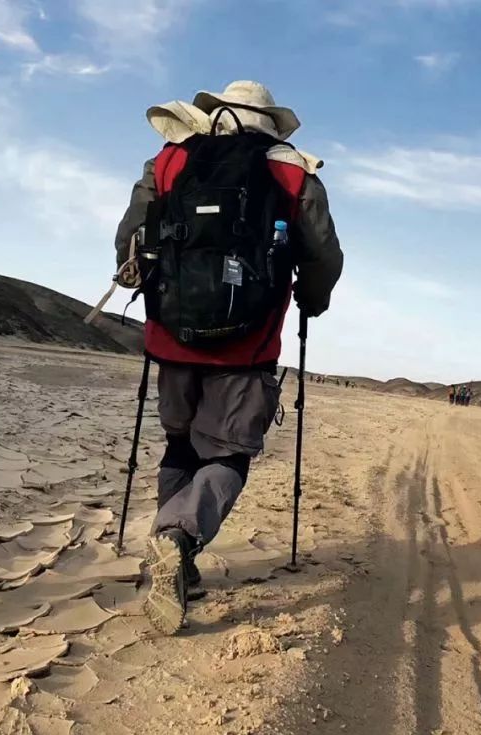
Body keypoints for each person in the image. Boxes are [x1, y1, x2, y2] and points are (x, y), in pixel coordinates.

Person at [114, 81, 343, 634]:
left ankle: (174, 555)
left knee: (180, 443)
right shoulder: (294, 174)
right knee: (229, 453)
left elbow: (129, 236)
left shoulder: (168, 161)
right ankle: (178, 538)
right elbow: (322, 257)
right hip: (250, 342)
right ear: (269, 123)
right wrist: (312, 301)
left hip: (173, 335)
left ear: (217, 114)